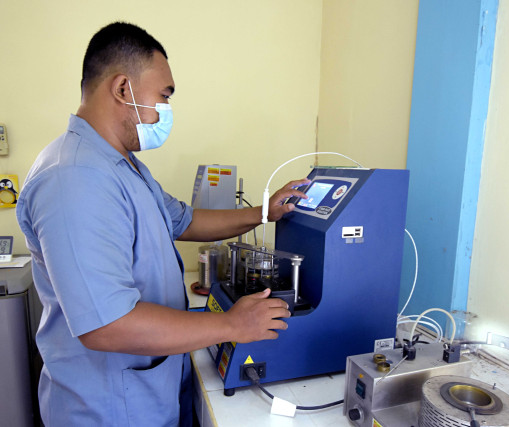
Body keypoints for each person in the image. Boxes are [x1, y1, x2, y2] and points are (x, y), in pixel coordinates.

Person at [16, 22, 308, 427]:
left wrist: (264, 212)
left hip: (147, 392)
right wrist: (231, 324)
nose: (166, 111)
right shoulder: (73, 179)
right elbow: (106, 325)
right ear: (123, 89)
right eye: (164, 96)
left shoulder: (122, 166)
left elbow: (185, 219)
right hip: (107, 409)